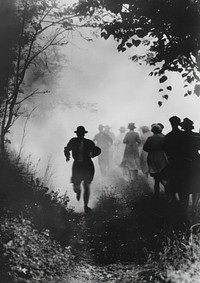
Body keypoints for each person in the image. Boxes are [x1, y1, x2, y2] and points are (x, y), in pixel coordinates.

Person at [64, 126, 101, 213]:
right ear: (77, 134)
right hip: (77, 165)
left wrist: (92, 154)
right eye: (79, 133)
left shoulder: (89, 142)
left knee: (86, 185)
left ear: (84, 134)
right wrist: (67, 156)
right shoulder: (73, 141)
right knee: (76, 185)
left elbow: (98, 150)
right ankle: (78, 191)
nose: (80, 135)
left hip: (87, 165)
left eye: (81, 133)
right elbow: (67, 149)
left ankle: (86, 206)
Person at [143, 124, 168, 197]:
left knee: (156, 178)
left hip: (152, 156)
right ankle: (167, 192)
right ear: (160, 130)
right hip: (162, 156)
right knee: (163, 173)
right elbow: (167, 147)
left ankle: (156, 195)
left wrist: (152, 150)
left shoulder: (150, 138)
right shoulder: (164, 137)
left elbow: (145, 148)